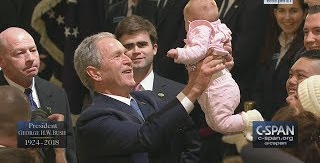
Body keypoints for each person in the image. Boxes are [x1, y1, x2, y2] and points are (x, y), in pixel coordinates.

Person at [74, 32, 229, 162]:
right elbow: (146, 136)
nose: (128, 60)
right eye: (117, 56)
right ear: (95, 73)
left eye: (125, 54)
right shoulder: (92, 119)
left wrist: (216, 70)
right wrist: (194, 87)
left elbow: (186, 125)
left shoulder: (146, 99)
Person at [167, 0, 263, 139]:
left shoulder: (201, 30)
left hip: (218, 88)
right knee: (213, 123)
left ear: (191, 21)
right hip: (217, 86)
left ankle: (251, 119)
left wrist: (179, 53)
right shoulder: (217, 30)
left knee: (220, 122)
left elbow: (198, 52)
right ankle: (239, 133)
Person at [115, 15, 201, 162]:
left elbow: (193, 147)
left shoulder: (180, 92)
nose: (136, 51)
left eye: (142, 44)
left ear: (154, 48)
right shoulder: (111, 93)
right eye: (128, 46)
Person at [0, 27, 76, 163]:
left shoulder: (57, 93)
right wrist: (48, 130)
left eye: (33, 50)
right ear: (1, 61)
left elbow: (69, 151)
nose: (30, 58)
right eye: (19, 53)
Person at [135, 0, 205, 84]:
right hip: (143, 69)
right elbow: (137, 27)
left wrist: (159, 68)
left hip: (176, 73)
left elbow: (186, 38)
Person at [254, 0, 306, 120]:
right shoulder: (270, 42)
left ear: (305, 13)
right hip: (265, 120)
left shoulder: (306, 48)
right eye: (282, 11)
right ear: (275, 12)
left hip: (290, 123)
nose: (287, 17)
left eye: (293, 11)